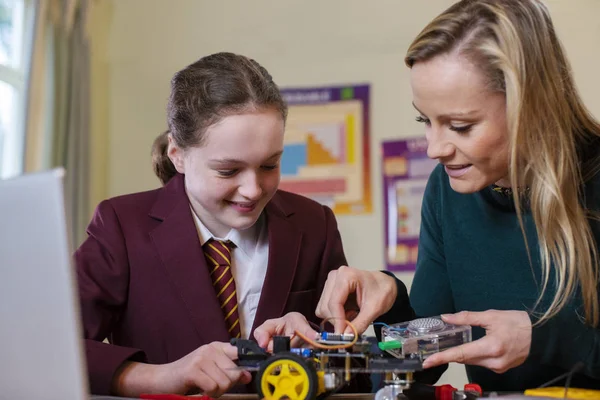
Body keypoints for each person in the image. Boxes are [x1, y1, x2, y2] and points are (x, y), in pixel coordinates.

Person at [265, 0, 600, 392]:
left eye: (460, 126)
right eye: (425, 120)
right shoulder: (448, 188)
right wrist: (387, 297)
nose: (434, 148)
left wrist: (542, 339)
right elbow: (422, 355)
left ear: (530, 106)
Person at [75, 52, 355, 397]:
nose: (254, 190)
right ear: (177, 155)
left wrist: (318, 344)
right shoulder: (121, 226)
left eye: (270, 165)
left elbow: (350, 353)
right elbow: (50, 345)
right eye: (228, 171)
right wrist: (161, 377)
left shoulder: (315, 225)